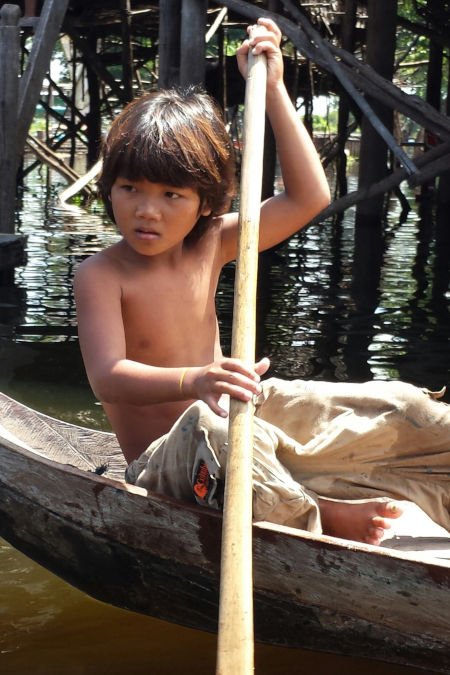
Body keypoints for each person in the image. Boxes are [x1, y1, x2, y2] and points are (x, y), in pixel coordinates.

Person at [75, 18, 450, 546]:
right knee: (220, 434)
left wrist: (272, 90)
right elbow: (108, 378)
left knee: (403, 406)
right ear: (108, 188)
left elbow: (308, 199)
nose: (146, 211)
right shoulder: (100, 274)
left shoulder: (212, 242)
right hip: (172, 462)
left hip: (231, 410)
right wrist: (198, 380)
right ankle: (318, 514)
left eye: (170, 196)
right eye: (129, 188)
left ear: (205, 204)